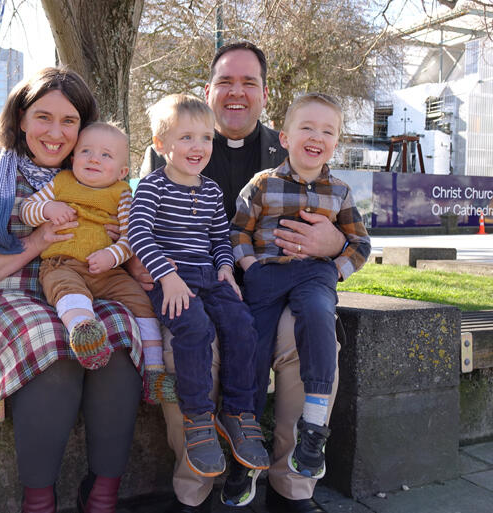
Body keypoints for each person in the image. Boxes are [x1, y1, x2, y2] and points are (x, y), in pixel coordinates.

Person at [133, 42, 347, 513]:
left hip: (279, 288)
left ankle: (292, 487)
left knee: (310, 340)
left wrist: (333, 245)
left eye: (248, 82)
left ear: (264, 94)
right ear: (208, 91)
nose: (236, 92)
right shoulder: (172, 149)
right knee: (193, 345)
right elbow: (142, 230)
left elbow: (341, 224)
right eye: (225, 81)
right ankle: (196, 489)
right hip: (195, 287)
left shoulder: (291, 143)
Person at [0, 68, 143, 513]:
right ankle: (39, 503)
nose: (55, 132)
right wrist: (36, 242)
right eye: (43, 117)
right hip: (1, 301)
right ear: (21, 119)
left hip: (81, 293)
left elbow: (132, 239)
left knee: (122, 335)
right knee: (51, 344)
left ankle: (102, 496)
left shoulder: (95, 172)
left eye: (69, 121)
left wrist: (124, 242)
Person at [128, 94, 270, 477]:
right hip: (170, 281)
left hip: (210, 277)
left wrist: (225, 267)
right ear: (161, 145)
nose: (198, 147)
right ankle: (198, 418)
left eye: (206, 138)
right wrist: (167, 277)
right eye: (186, 137)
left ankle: (238, 411)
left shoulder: (209, 190)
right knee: (195, 328)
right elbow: (138, 234)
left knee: (242, 325)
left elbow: (219, 237)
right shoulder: (151, 187)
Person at [231, 92, 371, 480]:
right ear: (285, 137)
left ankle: (313, 428)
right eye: (306, 127)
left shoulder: (339, 192)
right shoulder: (261, 185)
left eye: (327, 130)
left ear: (336, 143)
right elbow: (238, 231)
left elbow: (360, 244)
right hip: (266, 276)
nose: (317, 136)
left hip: (315, 275)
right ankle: (246, 442)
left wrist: (335, 270)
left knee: (319, 317)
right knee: (252, 344)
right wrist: (249, 265)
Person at [18, 122, 163, 375]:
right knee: (66, 290)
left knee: (142, 302)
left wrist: (111, 255)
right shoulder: (62, 182)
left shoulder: (122, 193)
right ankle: (85, 333)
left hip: (108, 272)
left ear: (122, 171)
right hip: (62, 264)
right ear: (73, 158)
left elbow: (131, 238)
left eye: (106, 155)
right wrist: (47, 209)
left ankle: (154, 369)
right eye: (86, 151)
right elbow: (26, 209)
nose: (94, 159)